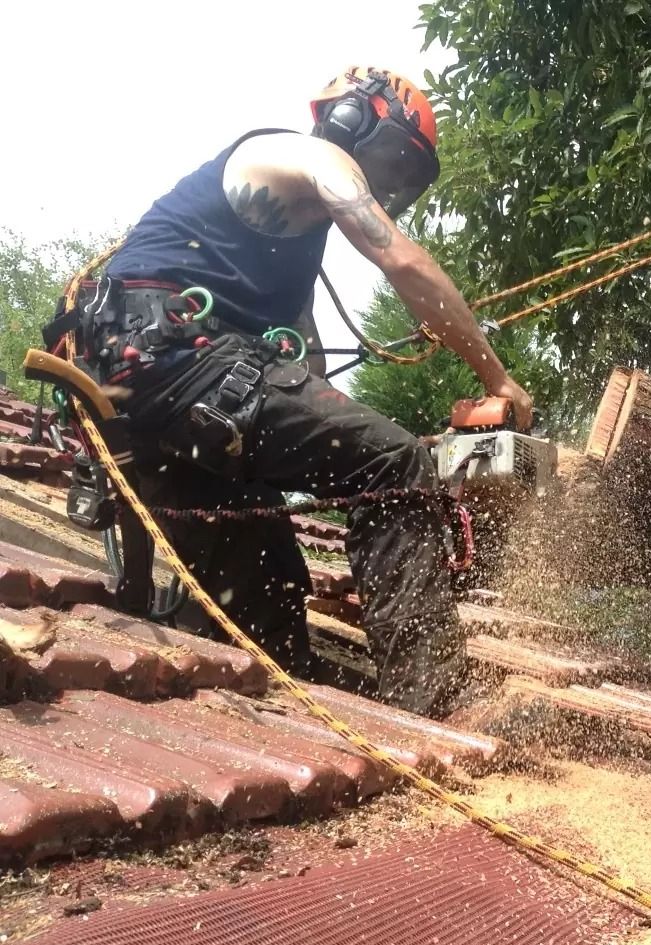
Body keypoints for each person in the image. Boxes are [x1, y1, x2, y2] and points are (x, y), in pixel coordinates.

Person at [60, 66, 532, 717]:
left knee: (273, 617)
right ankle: (441, 699)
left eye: (410, 175)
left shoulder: (289, 254)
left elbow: (304, 385)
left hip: (170, 399)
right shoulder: (313, 155)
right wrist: (495, 379)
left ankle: (276, 686)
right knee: (393, 464)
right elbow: (402, 261)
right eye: (394, 156)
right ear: (347, 120)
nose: (393, 183)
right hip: (173, 353)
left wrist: (377, 440)